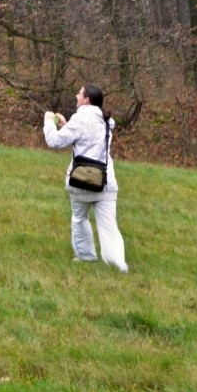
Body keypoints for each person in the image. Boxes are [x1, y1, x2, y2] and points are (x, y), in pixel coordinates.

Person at [43, 84, 128, 273]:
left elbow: (54, 141)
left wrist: (49, 122)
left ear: (87, 99)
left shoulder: (79, 120)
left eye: (80, 94)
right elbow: (86, 137)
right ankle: (117, 266)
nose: (76, 96)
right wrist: (66, 126)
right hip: (106, 184)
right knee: (109, 227)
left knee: (79, 219)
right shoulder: (106, 121)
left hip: (81, 184)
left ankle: (86, 257)